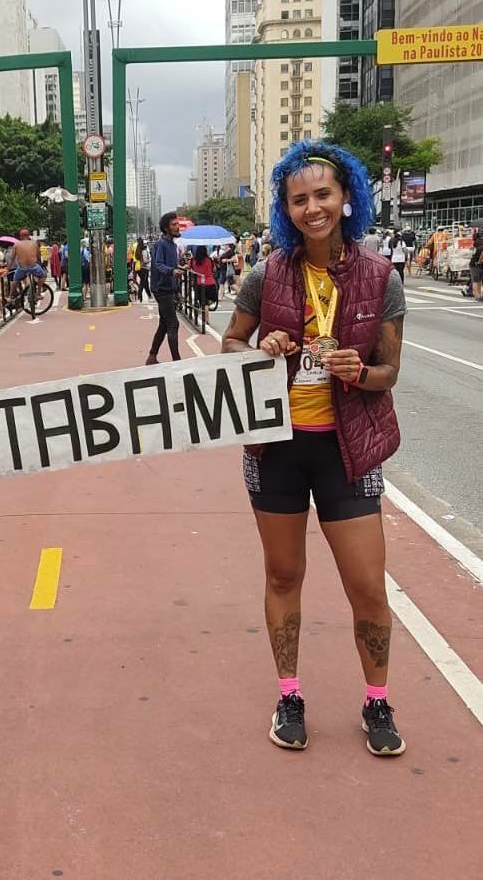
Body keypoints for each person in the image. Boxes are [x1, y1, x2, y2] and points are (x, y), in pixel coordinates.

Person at [222, 141, 408, 757]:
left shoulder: (382, 278)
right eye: (299, 199)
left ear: (347, 197)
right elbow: (228, 349)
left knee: (367, 586)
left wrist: (360, 371)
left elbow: (390, 373)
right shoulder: (266, 273)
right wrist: (261, 349)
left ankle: (377, 701)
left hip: (348, 451)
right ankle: (290, 695)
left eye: (323, 194)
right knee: (283, 575)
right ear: (285, 210)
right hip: (277, 449)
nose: (313, 207)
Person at [145, 212, 184, 364]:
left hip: (169, 288)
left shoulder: (172, 245)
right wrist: (172, 271)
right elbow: (159, 264)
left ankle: (152, 356)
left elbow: (171, 266)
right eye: (174, 225)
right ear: (166, 228)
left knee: (164, 324)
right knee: (173, 324)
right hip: (161, 289)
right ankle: (176, 360)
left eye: (177, 224)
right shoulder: (160, 244)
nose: (177, 227)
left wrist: (179, 268)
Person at [189, 245, 218, 326]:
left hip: (199, 283)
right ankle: (206, 316)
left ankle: (204, 315)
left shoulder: (192, 260)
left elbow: (188, 268)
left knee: (203, 302)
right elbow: (214, 269)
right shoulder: (209, 260)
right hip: (210, 283)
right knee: (211, 300)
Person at [134, 237, 151, 302]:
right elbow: (145, 260)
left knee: (145, 282)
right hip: (144, 268)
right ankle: (139, 297)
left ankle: (149, 295)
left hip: (139, 268)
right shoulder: (144, 251)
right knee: (142, 283)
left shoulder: (137, 250)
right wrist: (150, 259)